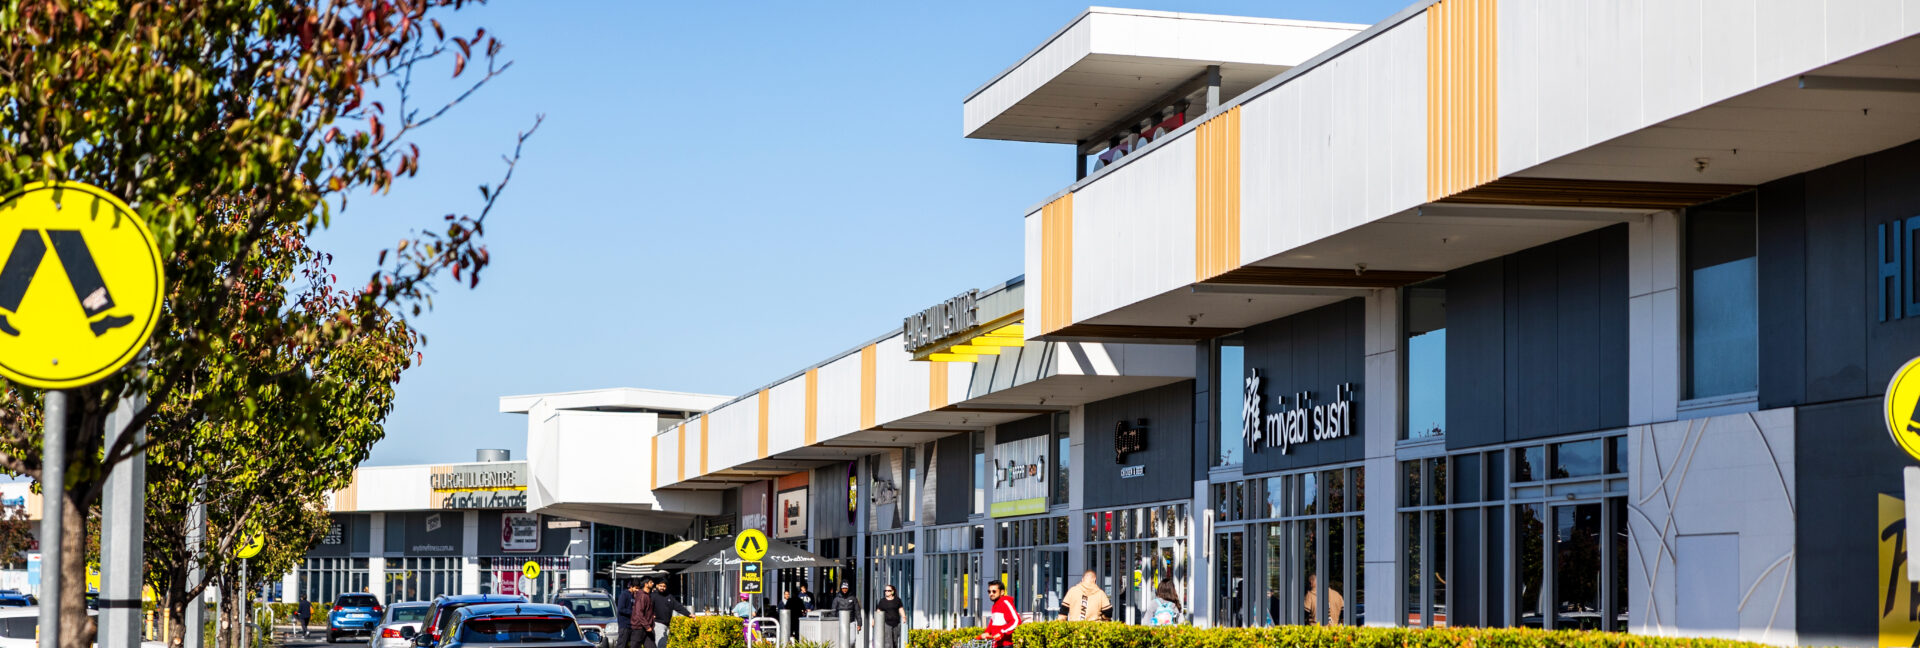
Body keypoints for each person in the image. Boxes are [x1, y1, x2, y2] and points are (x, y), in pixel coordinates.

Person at [979, 580, 1020, 648]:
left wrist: (1001, 632)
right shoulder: (995, 606)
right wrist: (987, 632)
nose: (991, 594)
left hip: (1005, 645)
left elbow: (1016, 621)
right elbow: (993, 622)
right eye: (989, 591)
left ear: (1002, 592)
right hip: (996, 644)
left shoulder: (1005, 603)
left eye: (994, 591)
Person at [651, 581, 692, 647]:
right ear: (657, 586)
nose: (662, 588)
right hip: (657, 623)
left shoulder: (669, 596)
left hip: (667, 624)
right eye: (661, 586)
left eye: (664, 586)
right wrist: (651, 614)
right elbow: (649, 607)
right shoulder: (653, 596)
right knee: (661, 644)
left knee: (663, 644)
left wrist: (688, 614)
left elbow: (678, 606)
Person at [628, 578, 658, 648]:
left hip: (647, 627)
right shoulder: (642, 596)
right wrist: (647, 626)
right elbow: (639, 613)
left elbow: (647, 610)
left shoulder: (647, 595)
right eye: (651, 582)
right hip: (639, 628)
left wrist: (652, 615)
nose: (653, 583)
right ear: (646, 584)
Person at [615, 581, 643, 648]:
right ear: (631, 587)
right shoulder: (624, 595)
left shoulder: (635, 596)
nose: (637, 590)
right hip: (624, 625)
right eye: (636, 588)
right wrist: (633, 613)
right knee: (622, 644)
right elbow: (621, 609)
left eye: (638, 588)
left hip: (632, 625)